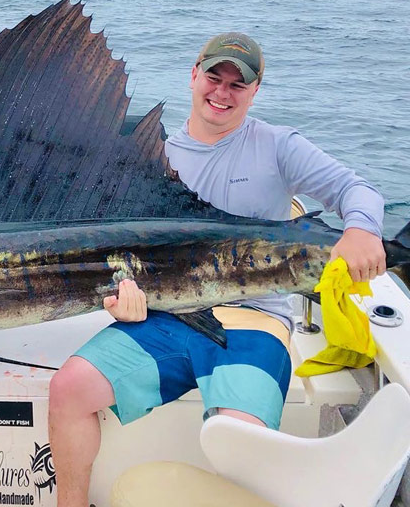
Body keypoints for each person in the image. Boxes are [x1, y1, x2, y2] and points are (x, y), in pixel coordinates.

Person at [47, 31, 387, 507]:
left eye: (238, 84)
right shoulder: (152, 158)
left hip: (254, 320)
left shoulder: (277, 145)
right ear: (194, 76)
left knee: (238, 439)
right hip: (167, 318)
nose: (222, 93)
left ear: (254, 92)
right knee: (68, 390)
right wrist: (122, 301)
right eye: (214, 77)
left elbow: (360, 192)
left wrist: (363, 230)